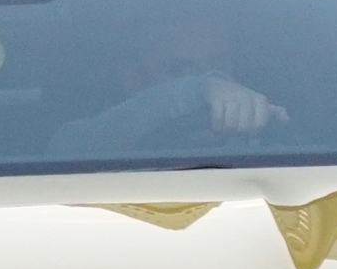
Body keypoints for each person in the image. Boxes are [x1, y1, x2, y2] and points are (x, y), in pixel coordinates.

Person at [48, 10, 287, 159]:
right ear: (132, 76)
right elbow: (78, 144)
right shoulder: (83, 147)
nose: (214, 81)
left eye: (218, 63)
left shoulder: (282, 148)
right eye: (180, 69)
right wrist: (199, 90)